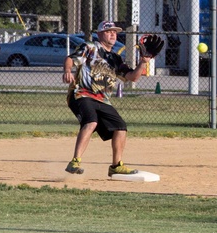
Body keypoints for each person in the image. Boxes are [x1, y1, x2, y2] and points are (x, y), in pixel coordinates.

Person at [62, 21, 152, 176]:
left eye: (115, 32)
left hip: (103, 99)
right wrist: (67, 70)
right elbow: (70, 59)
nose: (113, 34)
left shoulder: (115, 58)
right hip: (82, 94)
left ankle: (116, 166)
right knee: (91, 121)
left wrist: (143, 63)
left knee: (121, 127)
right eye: (108, 31)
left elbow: (132, 77)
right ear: (99, 34)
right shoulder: (90, 47)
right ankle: (75, 161)